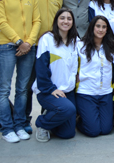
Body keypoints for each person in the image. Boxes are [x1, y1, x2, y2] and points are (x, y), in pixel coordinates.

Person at [0, 0, 63, 134]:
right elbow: (1, 18)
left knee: (29, 86)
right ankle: (13, 125)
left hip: (39, 46)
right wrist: (20, 41)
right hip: (16, 45)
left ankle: (24, 122)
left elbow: (41, 20)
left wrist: (29, 42)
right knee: (11, 87)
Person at [0, 0, 41, 143]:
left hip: (28, 47)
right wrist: (19, 41)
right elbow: (1, 23)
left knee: (23, 90)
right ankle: (7, 128)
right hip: (8, 47)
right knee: (4, 89)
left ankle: (19, 125)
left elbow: (37, 21)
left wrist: (28, 42)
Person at [32, 8, 79, 142]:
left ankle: (52, 114)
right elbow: (41, 69)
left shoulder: (75, 41)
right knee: (68, 109)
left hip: (67, 90)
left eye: (69, 19)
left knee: (67, 134)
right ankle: (42, 124)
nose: (66, 21)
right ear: (56, 21)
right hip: (48, 90)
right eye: (62, 18)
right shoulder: (47, 39)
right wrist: (51, 89)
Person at [75, 16, 114, 137]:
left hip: (105, 93)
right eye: (98, 26)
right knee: (93, 131)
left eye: (104, 27)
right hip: (86, 93)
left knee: (106, 129)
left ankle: (92, 117)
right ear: (92, 27)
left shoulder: (112, 47)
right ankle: (79, 119)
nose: (101, 29)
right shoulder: (80, 45)